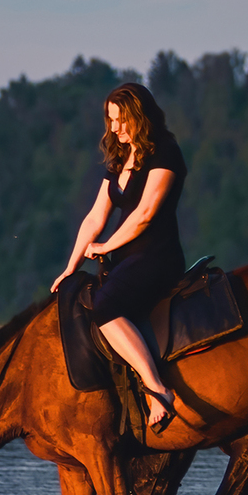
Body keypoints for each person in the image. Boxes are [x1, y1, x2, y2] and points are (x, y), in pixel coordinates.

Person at [52, 82, 186, 430]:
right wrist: (71, 266)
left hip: (158, 256)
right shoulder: (120, 159)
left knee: (107, 306)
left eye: (121, 120)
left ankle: (156, 389)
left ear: (139, 117)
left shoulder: (166, 154)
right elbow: (95, 217)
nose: (114, 128)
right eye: (110, 120)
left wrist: (106, 248)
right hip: (126, 259)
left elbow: (145, 213)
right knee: (76, 296)